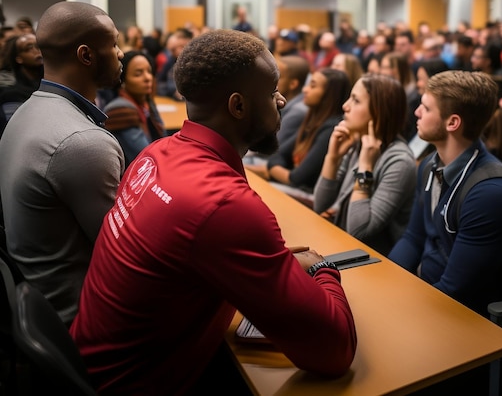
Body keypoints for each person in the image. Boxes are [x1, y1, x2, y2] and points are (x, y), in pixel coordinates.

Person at [70, 29, 356, 394]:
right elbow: (335, 351)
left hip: (94, 371)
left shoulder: (155, 154)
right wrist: (320, 268)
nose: (283, 100)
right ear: (238, 106)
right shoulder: (225, 204)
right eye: (271, 93)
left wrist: (274, 267)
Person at [0, 1, 125, 325]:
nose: (121, 53)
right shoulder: (81, 140)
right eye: (113, 44)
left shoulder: (27, 111)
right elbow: (125, 254)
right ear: (86, 56)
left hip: (43, 303)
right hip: (84, 318)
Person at [388, 70, 502, 318]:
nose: (417, 112)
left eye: (425, 107)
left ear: (452, 123)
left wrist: (398, 309)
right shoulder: (429, 166)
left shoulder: (491, 195)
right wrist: (386, 282)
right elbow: (414, 237)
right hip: (429, 292)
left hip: (472, 320)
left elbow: (456, 291)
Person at [313, 74, 417, 255]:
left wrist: (365, 167)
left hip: (372, 262)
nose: (345, 106)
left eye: (356, 101)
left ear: (379, 111)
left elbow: (359, 231)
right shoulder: (358, 143)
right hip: (341, 245)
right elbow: (321, 206)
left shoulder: (400, 161)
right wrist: (333, 157)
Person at [266, 68, 350, 194]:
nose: (305, 90)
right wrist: (276, 168)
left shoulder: (332, 129)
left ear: (329, 94)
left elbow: (297, 179)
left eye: (313, 86)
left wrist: (273, 169)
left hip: (307, 194)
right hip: (292, 186)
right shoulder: (313, 121)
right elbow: (278, 154)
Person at [103, 50, 166, 166]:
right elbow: (146, 157)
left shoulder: (146, 102)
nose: (148, 78)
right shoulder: (121, 110)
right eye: (138, 74)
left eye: (149, 71)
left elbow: (164, 138)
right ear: (123, 80)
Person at [0, 32, 44, 123]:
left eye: (38, 46)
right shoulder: (11, 92)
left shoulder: (53, 82)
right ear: (19, 58)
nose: (36, 50)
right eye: (29, 48)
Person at [156, 27, 193, 99]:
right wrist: (173, 92)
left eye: (182, 47)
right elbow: (159, 84)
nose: (178, 50)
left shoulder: (193, 63)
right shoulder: (171, 60)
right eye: (176, 48)